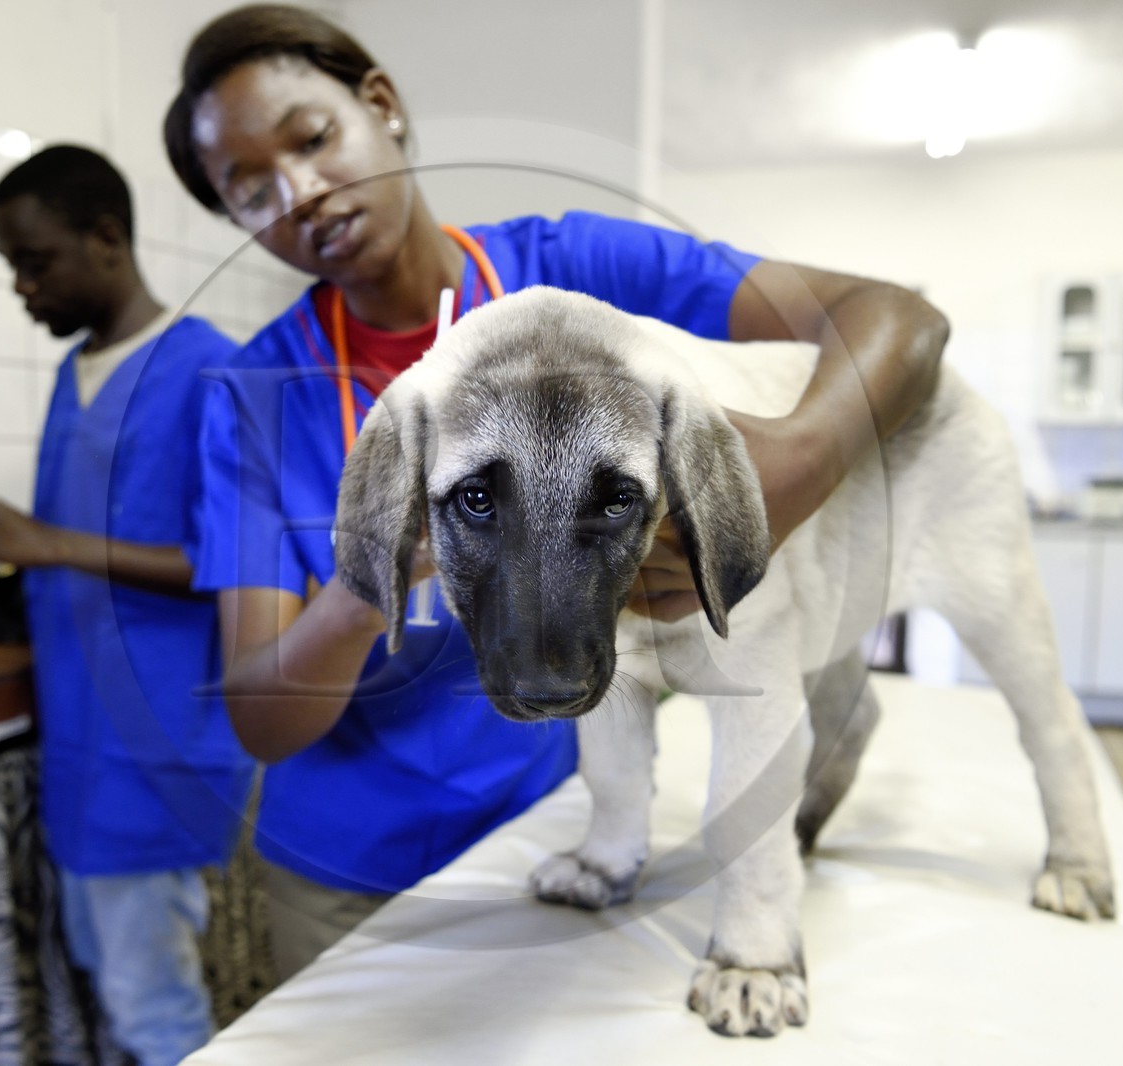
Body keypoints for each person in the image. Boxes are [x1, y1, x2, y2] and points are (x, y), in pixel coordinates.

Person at [162, 4, 950, 979]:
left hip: (552, 835)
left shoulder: (575, 273)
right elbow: (262, 719)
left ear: (381, 104)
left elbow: (899, 320)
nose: (302, 193)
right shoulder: (252, 398)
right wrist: (373, 573)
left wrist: (795, 462)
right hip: (344, 874)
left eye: (314, 138)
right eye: (250, 190)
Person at [0, 145, 254, 1065]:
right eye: (11, 267)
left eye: (35, 263)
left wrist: (48, 542)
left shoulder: (211, 370)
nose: (22, 289)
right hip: (82, 736)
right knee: (114, 982)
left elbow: (235, 563)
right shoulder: (77, 372)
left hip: (157, 744)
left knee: (155, 1010)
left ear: (107, 238)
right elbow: (79, 534)